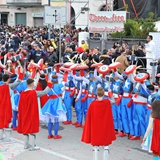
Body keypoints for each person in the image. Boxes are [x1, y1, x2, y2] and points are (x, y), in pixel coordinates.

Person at [17, 75, 52, 151]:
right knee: (32, 129)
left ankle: (25, 145)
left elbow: (20, 105)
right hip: (31, 113)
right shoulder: (34, 93)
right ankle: (32, 146)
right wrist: (49, 84)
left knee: (25, 129)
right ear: (32, 84)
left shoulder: (23, 93)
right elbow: (44, 92)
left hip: (24, 113)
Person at [82, 87, 116, 160]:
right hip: (105, 127)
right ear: (104, 94)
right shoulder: (107, 102)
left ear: (96, 94)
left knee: (95, 146)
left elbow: (89, 117)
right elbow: (113, 101)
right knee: (106, 146)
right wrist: (110, 94)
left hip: (95, 127)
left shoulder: (92, 104)